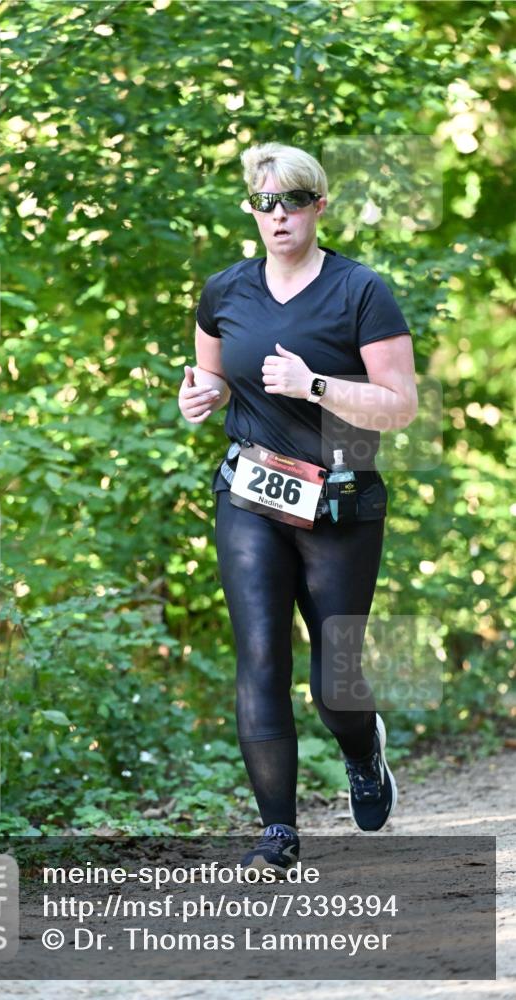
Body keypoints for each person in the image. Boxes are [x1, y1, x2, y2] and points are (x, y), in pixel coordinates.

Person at [178, 142, 417, 877]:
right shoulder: (224, 291)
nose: (276, 215)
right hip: (250, 492)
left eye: (291, 201)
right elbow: (212, 380)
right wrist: (202, 398)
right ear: (251, 211)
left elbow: (398, 407)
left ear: (318, 206)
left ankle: (360, 749)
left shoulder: (360, 291)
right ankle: (276, 834)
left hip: (341, 500)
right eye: (263, 202)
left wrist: (314, 385)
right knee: (259, 658)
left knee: (334, 678)